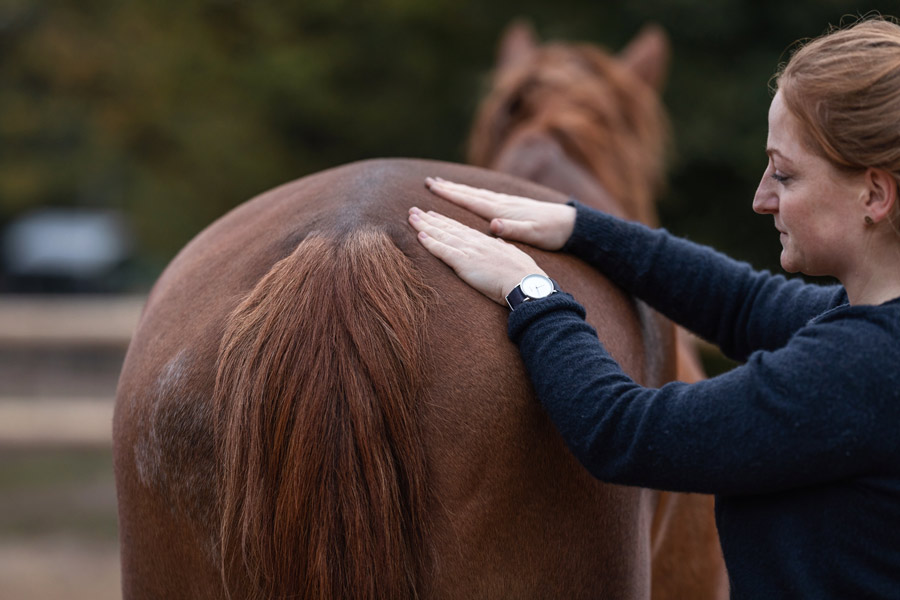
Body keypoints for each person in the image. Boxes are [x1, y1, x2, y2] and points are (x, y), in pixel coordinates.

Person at [407, 17, 900, 599]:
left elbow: (623, 433)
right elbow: (741, 303)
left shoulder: (861, 368)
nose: (761, 198)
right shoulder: (873, 327)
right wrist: (578, 225)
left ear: (873, 193)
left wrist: (531, 291)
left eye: (785, 174)